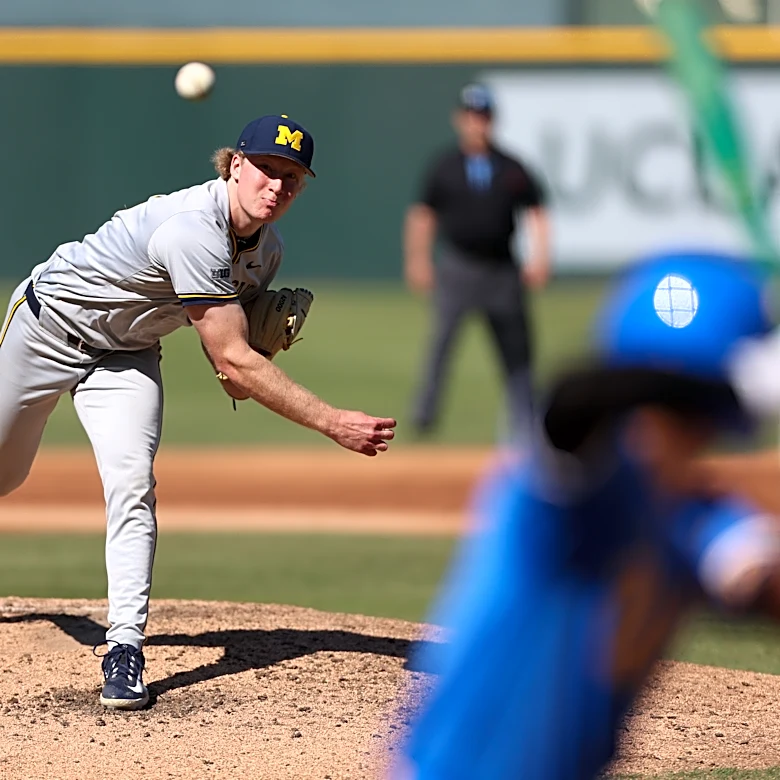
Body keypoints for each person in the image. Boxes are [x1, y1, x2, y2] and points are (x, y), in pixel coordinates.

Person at [0, 114, 396, 710]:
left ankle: (124, 649)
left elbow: (233, 381)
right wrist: (332, 420)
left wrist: (259, 347)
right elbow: (236, 365)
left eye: (292, 178)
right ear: (235, 164)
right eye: (266, 169)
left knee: (133, 484)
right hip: (44, 328)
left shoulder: (268, 253)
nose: (277, 187)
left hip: (126, 355)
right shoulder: (192, 228)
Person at [395, 250, 780, 780]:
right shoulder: (564, 491)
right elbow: (573, 403)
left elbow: (752, 571)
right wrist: (727, 380)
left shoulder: (692, 514)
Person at [403, 83, 551, 445]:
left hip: (502, 268)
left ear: (492, 121)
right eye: (471, 116)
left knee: (517, 353)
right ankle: (423, 419)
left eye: (483, 116)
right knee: (441, 345)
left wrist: (540, 257)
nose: (477, 124)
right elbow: (422, 215)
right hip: (459, 265)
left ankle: (525, 424)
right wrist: (418, 260)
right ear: (459, 120)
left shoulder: (512, 167)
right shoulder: (445, 166)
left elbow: (536, 212)